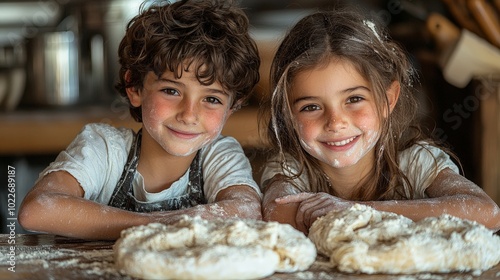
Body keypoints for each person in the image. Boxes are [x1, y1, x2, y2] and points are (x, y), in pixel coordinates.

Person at [19, 0, 262, 240]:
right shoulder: (104, 149)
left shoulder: (219, 154)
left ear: (231, 108)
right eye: (171, 91)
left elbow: (247, 210)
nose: (189, 114)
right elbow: (37, 210)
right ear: (134, 87)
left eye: (212, 99)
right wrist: (156, 224)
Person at [259, 7, 500, 235]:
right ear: (287, 114)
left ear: (388, 99)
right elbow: (277, 213)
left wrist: (355, 210)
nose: (335, 122)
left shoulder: (415, 161)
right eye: (311, 107)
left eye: (354, 99)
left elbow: (487, 212)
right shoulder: (290, 169)